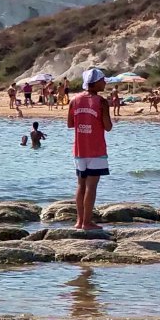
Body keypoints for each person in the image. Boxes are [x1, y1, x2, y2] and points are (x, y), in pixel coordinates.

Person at [68, 69, 113, 231]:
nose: (105, 83)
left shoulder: (74, 100)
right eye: (102, 80)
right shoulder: (101, 102)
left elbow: (70, 124)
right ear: (95, 83)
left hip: (79, 150)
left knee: (81, 185)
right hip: (96, 150)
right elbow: (108, 127)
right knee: (91, 186)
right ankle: (87, 222)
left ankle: (79, 221)